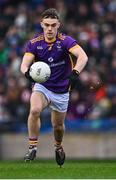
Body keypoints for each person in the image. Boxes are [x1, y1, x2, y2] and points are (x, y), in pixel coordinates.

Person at [20, 8, 88, 166]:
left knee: (57, 126)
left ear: (58, 25)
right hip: (42, 86)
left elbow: (83, 56)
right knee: (34, 110)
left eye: (53, 25)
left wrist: (76, 72)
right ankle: (32, 147)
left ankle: (58, 147)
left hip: (62, 90)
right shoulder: (34, 44)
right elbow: (24, 64)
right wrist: (26, 73)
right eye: (47, 25)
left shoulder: (65, 41)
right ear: (41, 25)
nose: (50, 28)